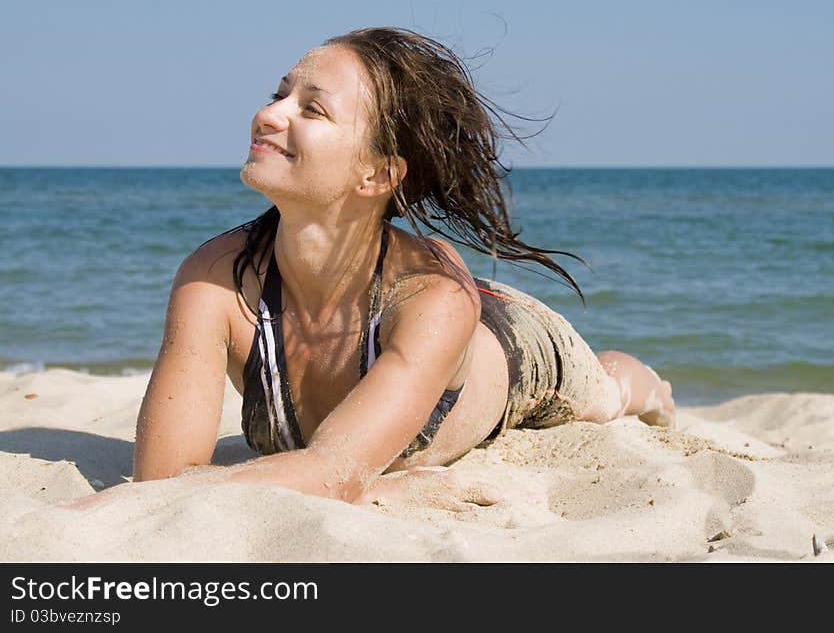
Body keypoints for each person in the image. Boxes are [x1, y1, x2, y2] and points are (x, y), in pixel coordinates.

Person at [131, 27, 675, 508]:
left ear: (377, 174)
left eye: (312, 109)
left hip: (510, 341)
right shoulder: (215, 279)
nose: (269, 114)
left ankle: (644, 382)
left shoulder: (433, 300)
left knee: (606, 397)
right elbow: (158, 482)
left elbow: (328, 475)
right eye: (279, 94)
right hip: (405, 295)